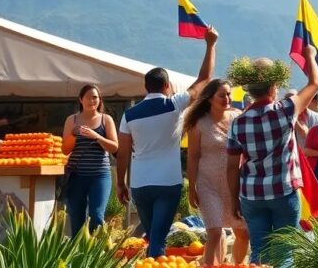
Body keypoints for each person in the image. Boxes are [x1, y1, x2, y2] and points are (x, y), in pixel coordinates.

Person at [116, 27, 218, 258]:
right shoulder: (173, 104)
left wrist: (121, 183)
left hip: (140, 184)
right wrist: (210, 45)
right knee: (158, 239)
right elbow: (204, 80)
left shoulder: (129, 115)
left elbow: (122, 154)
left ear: (145, 88)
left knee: (153, 236)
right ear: (166, 86)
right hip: (167, 183)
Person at [227, 45, 318, 266]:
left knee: (260, 250)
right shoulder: (286, 110)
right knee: (284, 251)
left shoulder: (237, 123)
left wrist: (233, 199)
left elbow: (232, 167)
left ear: (249, 89)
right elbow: (315, 83)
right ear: (273, 86)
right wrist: (309, 56)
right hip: (283, 190)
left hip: (251, 195)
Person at [183, 79, 249, 266]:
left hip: (234, 185)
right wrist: (192, 188)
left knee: (243, 233)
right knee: (215, 232)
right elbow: (193, 156)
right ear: (210, 98)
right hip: (208, 184)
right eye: (222, 95)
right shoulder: (198, 123)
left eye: (229, 94)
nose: (227, 98)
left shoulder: (238, 118)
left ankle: (237, 265)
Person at [61, 84, 118, 236]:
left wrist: (97, 136)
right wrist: (73, 134)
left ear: (100, 100)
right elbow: (65, 150)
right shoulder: (71, 120)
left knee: (97, 216)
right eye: (88, 97)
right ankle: (79, 255)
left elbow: (114, 147)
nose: (92, 101)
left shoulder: (106, 120)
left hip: (100, 175)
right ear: (81, 99)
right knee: (76, 218)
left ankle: (97, 253)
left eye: (95, 97)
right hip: (76, 176)